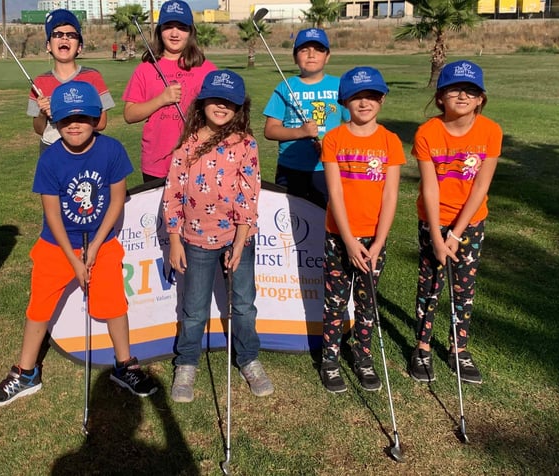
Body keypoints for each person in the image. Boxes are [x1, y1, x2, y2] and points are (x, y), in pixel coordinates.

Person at [0, 81, 157, 406]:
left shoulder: (112, 150)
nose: (74, 125)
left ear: (95, 119)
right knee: (38, 308)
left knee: (115, 306)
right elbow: (51, 215)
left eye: (83, 118)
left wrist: (94, 248)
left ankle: (124, 365)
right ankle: (25, 373)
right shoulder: (50, 160)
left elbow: (118, 199)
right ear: (55, 122)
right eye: (65, 119)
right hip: (57, 245)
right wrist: (75, 259)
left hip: (102, 242)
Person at [163, 70, 273, 403]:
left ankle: (248, 358)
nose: (221, 107)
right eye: (215, 100)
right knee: (194, 309)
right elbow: (173, 194)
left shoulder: (246, 144)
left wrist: (239, 244)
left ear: (239, 107)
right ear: (203, 102)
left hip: (237, 239)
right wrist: (175, 240)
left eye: (229, 102)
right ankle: (186, 364)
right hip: (195, 242)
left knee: (242, 305)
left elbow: (248, 195)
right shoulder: (187, 144)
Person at [410, 60, 502, 385]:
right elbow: (430, 186)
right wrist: (437, 235)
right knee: (430, 285)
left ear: (480, 98)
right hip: (433, 221)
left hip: (470, 223)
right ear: (440, 97)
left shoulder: (491, 132)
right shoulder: (427, 133)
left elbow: (480, 187)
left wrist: (456, 234)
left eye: (471, 90)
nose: (462, 95)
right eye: (454, 89)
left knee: (463, 287)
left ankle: (458, 349)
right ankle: (421, 347)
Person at [319, 67, 405, 393]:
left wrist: (379, 241)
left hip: (374, 239)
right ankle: (329, 358)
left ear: (381, 100)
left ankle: (363, 356)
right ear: (345, 101)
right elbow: (335, 193)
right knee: (335, 302)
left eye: (370, 96)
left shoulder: (390, 142)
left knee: (367, 302)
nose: (364, 102)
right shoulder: (334, 139)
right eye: (356, 96)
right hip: (339, 236)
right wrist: (349, 240)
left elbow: (391, 194)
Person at [122, 0, 217, 183]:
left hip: (197, 160)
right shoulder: (146, 69)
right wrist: (161, 99)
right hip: (156, 164)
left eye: (181, 27)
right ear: (159, 31)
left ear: (190, 32)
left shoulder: (207, 69)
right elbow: (129, 114)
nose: (174, 33)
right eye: (168, 27)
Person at [262, 28, 349, 209]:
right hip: (291, 168)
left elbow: (353, 126)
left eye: (318, 49)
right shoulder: (285, 87)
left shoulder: (340, 86)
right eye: (304, 50)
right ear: (295, 57)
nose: (311, 55)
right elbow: (270, 130)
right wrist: (301, 132)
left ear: (328, 56)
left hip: (328, 168)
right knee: (291, 221)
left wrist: (333, 144)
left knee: (327, 218)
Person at [28, 9, 115, 153]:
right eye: (57, 34)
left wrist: (66, 110)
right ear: (48, 45)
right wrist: (42, 113)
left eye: (71, 35)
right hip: (51, 150)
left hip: (86, 150)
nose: (64, 39)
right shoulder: (40, 83)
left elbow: (101, 123)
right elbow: (38, 129)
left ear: (79, 47)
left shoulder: (93, 77)